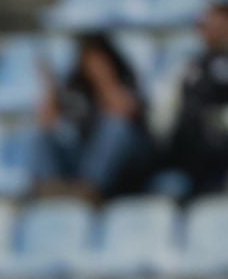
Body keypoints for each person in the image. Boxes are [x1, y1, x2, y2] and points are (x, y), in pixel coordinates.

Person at [33, 33, 154, 201]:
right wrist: (51, 88)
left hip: (128, 165)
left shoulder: (127, 81)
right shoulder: (77, 90)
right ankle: (50, 188)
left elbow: (124, 111)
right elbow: (47, 120)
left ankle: (91, 188)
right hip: (85, 158)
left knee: (115, 127)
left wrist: (104, 80)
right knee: (43, 135)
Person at [162, 0, 228, 198]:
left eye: (217, 25)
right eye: (206, 26)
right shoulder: (190, 67)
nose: (209, 31)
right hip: (194, 159)